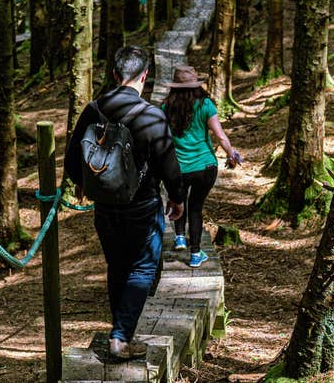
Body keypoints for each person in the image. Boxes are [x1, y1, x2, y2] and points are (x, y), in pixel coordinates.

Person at [64, 46, 185, 360]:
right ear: (144, 76)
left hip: (105, 207)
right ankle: (120, 338)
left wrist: (83, 183)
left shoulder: (94, 110)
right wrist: (177, 197)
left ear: (115, 75)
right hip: (142, 206)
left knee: (117, 267)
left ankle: (121, 331)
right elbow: (168, 163)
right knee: (143, 268)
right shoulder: (151, 115)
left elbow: (71, 160)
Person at [162, 66, 242, 268]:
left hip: (178, 167)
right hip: (205, 166)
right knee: (195, 208)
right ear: (195, 85)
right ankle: (195, 254)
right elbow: (220, 136)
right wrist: (232, 155)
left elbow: (162, 139)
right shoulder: (205, 105)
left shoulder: (165, 107)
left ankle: (180, 237)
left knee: (179, 199)